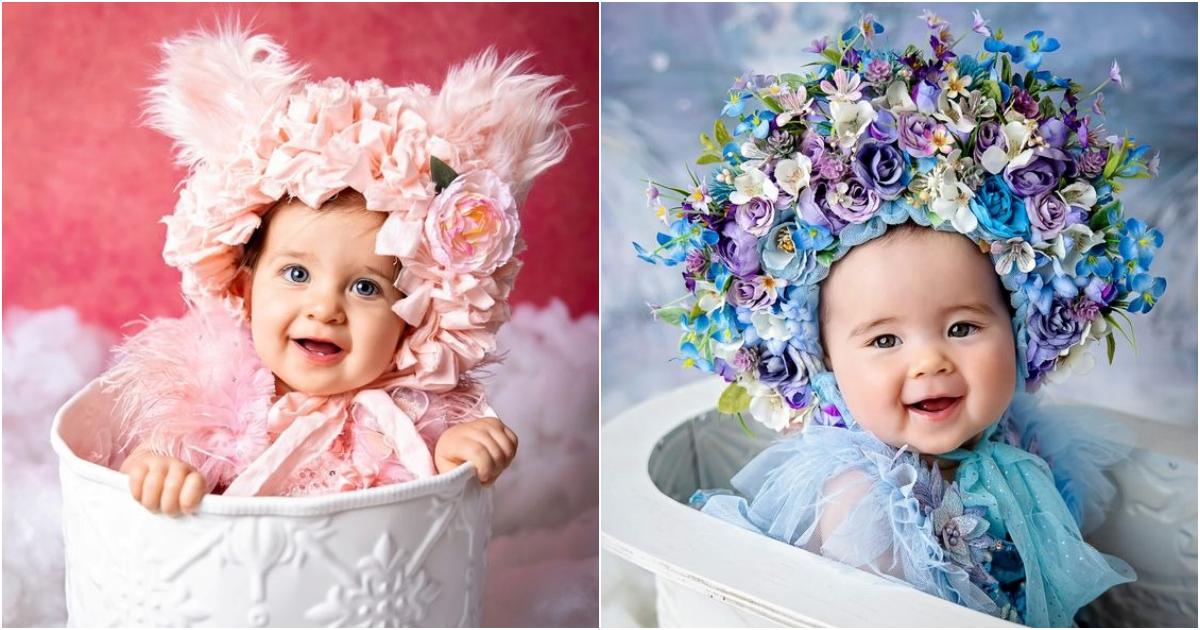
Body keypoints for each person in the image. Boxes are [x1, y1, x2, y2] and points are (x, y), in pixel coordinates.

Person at [637, 13, 1166, 626]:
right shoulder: (864, 500)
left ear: (1021, 329)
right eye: (885, 339)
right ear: (826, 361)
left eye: (963, 328)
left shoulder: (1025, 443)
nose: (930, 361)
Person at [101, 21, 570, 515]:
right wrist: (158, 467)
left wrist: (459, 450)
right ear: (245, 287)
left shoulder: (415, 410)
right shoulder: (213, 392)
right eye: (297, 274)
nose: (326, 308)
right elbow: (156, 449)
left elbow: (436, 489)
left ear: (414, 319)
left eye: (366, 287)